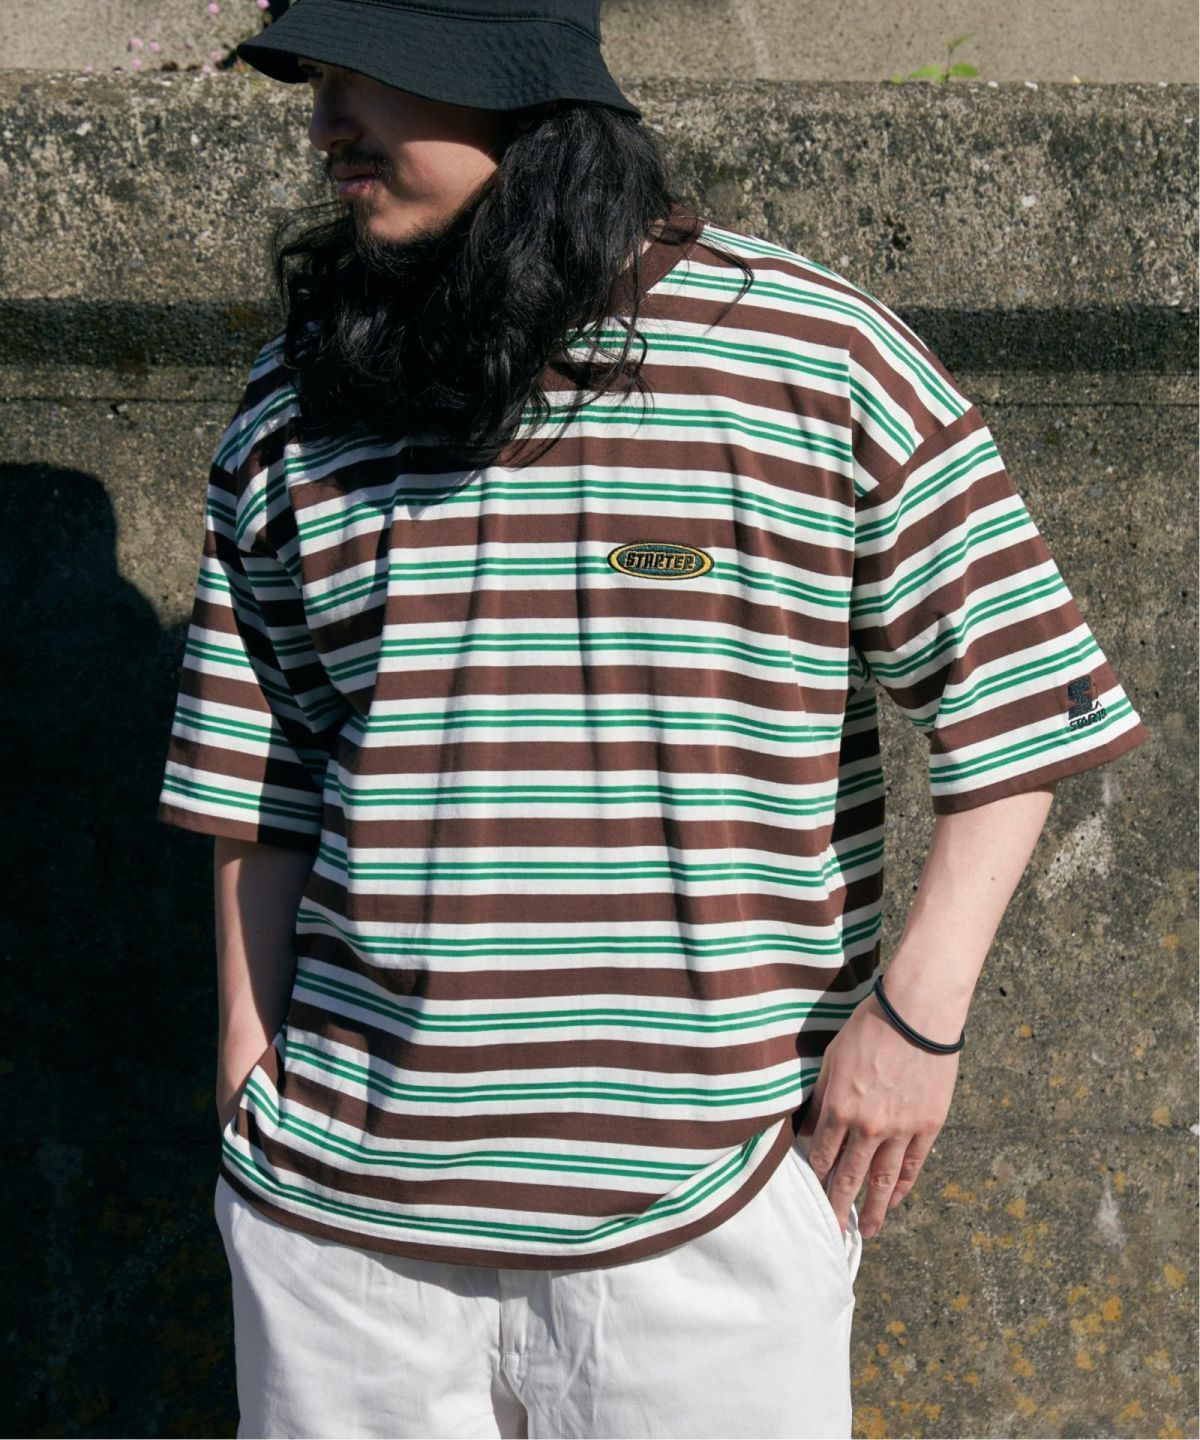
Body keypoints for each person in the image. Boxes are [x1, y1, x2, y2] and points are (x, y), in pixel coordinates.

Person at [154, 2, 1151, 1435]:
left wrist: (916, 1026)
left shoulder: (813, 356)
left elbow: (1024, 695)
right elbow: (261, 775)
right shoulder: (307, 396)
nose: (325, 125)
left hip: (707, 1212)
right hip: (342, 1227)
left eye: (367, 77)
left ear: (521, 95)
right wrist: (248, 1078)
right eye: (318, 78)